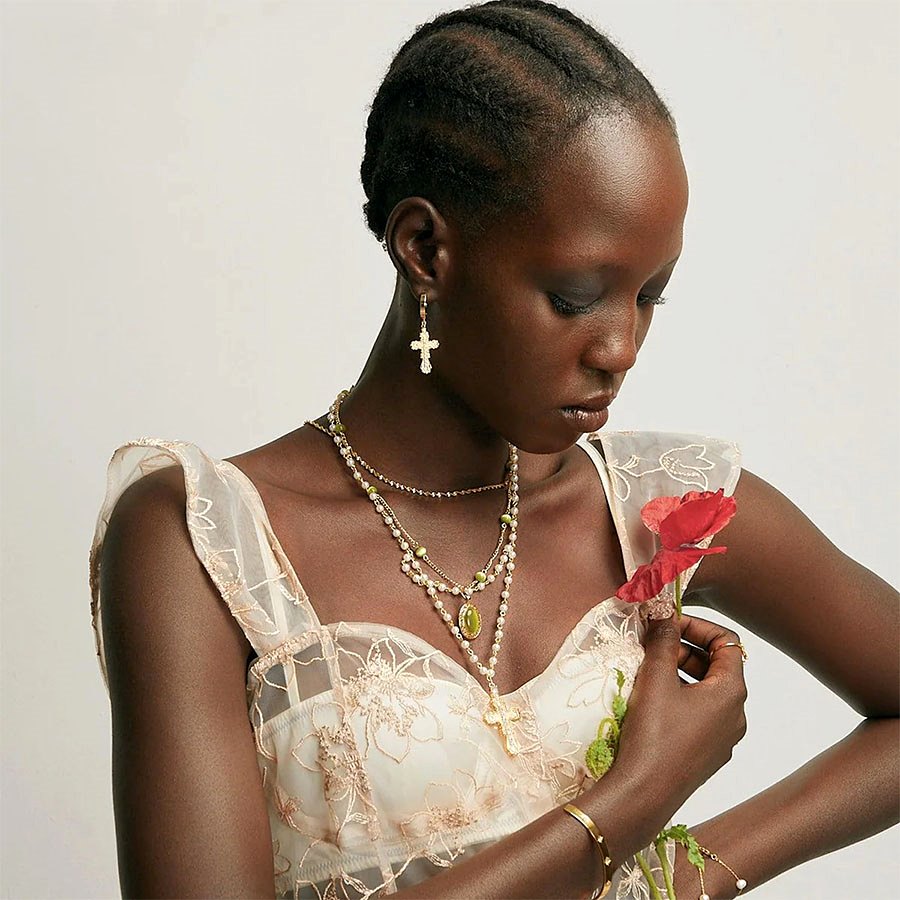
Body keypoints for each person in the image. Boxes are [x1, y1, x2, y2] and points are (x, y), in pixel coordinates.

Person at [88, 1, 898, 897]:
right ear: (425, 249)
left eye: (649, 296)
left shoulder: (664, 510)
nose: (620, 349)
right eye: (575, 296)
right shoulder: (202, 541)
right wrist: (633, 801)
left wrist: (683, 876)